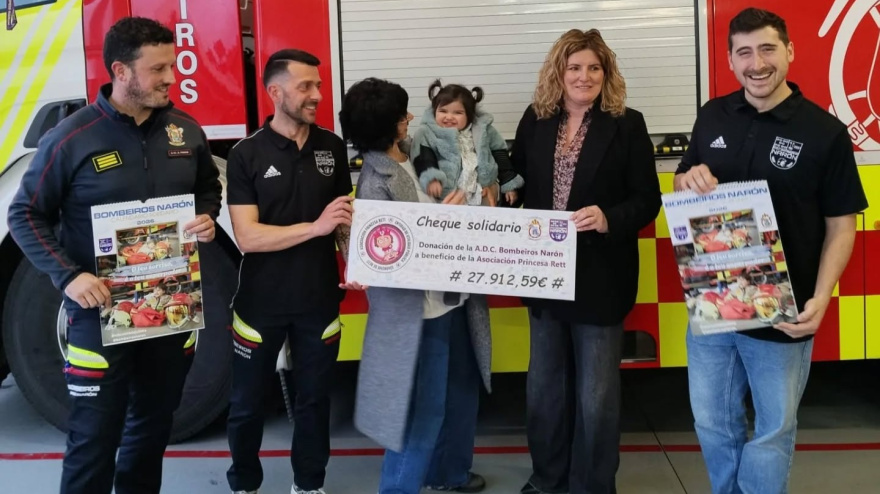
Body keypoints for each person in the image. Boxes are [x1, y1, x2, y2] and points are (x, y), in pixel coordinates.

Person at [6, 16, 221, 494]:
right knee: (93, 438)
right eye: (159, 68)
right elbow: (24, 214)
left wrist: (206, 216)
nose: (173, 77)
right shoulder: (71, 137)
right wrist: (68, 278)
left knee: (151, 431)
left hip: (169, 310)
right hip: (97, 314)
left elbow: (207, 188)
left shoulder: (186, 131)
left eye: (172, 66)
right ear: (121, 72)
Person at [674, 7, 867, 493]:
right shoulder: (712, 114)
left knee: (773, 430)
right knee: (713, 424)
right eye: (744, 52)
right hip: (714, 305)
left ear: (789, 52)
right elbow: (684, 182)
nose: (756, 63)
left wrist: (821, 298)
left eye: (767, 49)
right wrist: (686, 178)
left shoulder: (825, 132)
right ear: (731, 60)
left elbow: (842, 226)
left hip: (785, 311)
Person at [509, 29, 661, 494]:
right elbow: (516, 180)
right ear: (558, 72)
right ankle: (547, 479)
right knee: (544, 391)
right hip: (544, 275)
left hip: (601, 278)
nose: (584, 76)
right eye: (575, 67)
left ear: (606, 74)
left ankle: (595, 486)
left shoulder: (627, 123)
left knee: (597, 399)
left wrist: (608, 217)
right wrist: (501, 196)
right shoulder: (535, 121)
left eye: (594, 67)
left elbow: (647, 200)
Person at [338, 77, 492, 494]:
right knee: (423, 412)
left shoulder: (414, 154)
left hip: (454, 299)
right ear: (389, 124)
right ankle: (399, 487)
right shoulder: (375, 180)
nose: (411, 117)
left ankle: (450, 473)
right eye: (403, 113)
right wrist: (447, 220)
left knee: (461, 392)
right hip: (419, 313)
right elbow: (392, 258)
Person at [224, 49, 354, 494]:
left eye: (317, 85)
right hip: (260, 306)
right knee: (245, 405)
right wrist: (314, 228)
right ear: (275, 91)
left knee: (315, 402)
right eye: (306, 87)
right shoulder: (246, 154)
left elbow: (342, 221)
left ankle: (309, 484)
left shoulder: (331, 147)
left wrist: (356, 259)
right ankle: (244, 484)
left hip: (319, 302)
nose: (317, 95)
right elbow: (248, 237)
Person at [411, 79, 524, 207]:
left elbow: (500, 153)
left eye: (458, 113)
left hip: (482, 194)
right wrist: (432, 178)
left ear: (469, 115)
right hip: (449, 198)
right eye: (443, 111)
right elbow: (423, 157)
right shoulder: (427, 132)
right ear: (434, 110)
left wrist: (508, 183)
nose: (449, 117)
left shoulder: (483, 130)